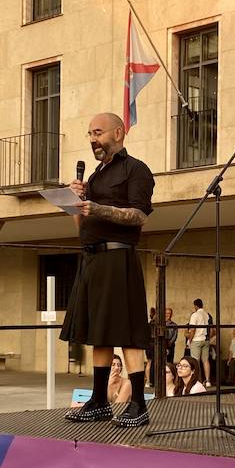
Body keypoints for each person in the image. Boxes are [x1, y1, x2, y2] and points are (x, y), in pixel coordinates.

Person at [61, 112, 156, 427]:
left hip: (119, 258)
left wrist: (98, 207)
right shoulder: (95, 178)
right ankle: (100, 400)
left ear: (118, 132)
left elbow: (140, 215)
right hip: (92, 259)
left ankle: (138, 405)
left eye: (98, 132)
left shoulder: (136, 170)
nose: (92, 140)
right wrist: (75, 203)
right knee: (98, 333)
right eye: (89, 134)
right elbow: (82, 224)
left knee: (126, 332)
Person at [186, 298, 213, 385]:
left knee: (195, 361)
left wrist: (189, 340)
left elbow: (192, 329)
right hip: (206, 340)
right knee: (205, 361)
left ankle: (198, 381)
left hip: (196, 340)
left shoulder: (195, 315)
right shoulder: (207, 315)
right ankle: (208, 381)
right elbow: (212, 330)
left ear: (195, 306)